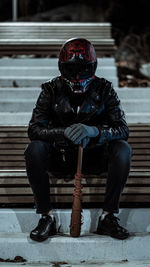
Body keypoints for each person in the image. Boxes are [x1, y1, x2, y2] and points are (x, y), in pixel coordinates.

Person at [24, 38, 132, 242]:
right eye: (71, 68)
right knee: (34, 149)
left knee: (123, 149)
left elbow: (122, 129)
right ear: (62, 67)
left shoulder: (105, 89)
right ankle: (46, 217)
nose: (77, 75)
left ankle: (108, 217)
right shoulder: (50, 89)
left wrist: (95, 131)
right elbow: (34, 129)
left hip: (94, 157)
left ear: (92, 67)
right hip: (61, 158)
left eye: (83, 69)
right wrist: (63, 132)